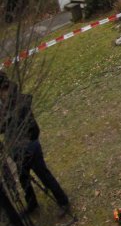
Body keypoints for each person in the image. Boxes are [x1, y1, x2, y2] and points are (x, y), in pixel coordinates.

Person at [0, 73, 69, 217]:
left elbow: (33, 128)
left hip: (30, 147)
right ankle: (32, 204)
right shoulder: (4, 105)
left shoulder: (19, 103)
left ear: (4, 88)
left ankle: (63, 202)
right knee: (23, 178)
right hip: (16, 150)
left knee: (44, 175)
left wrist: (27, 144)